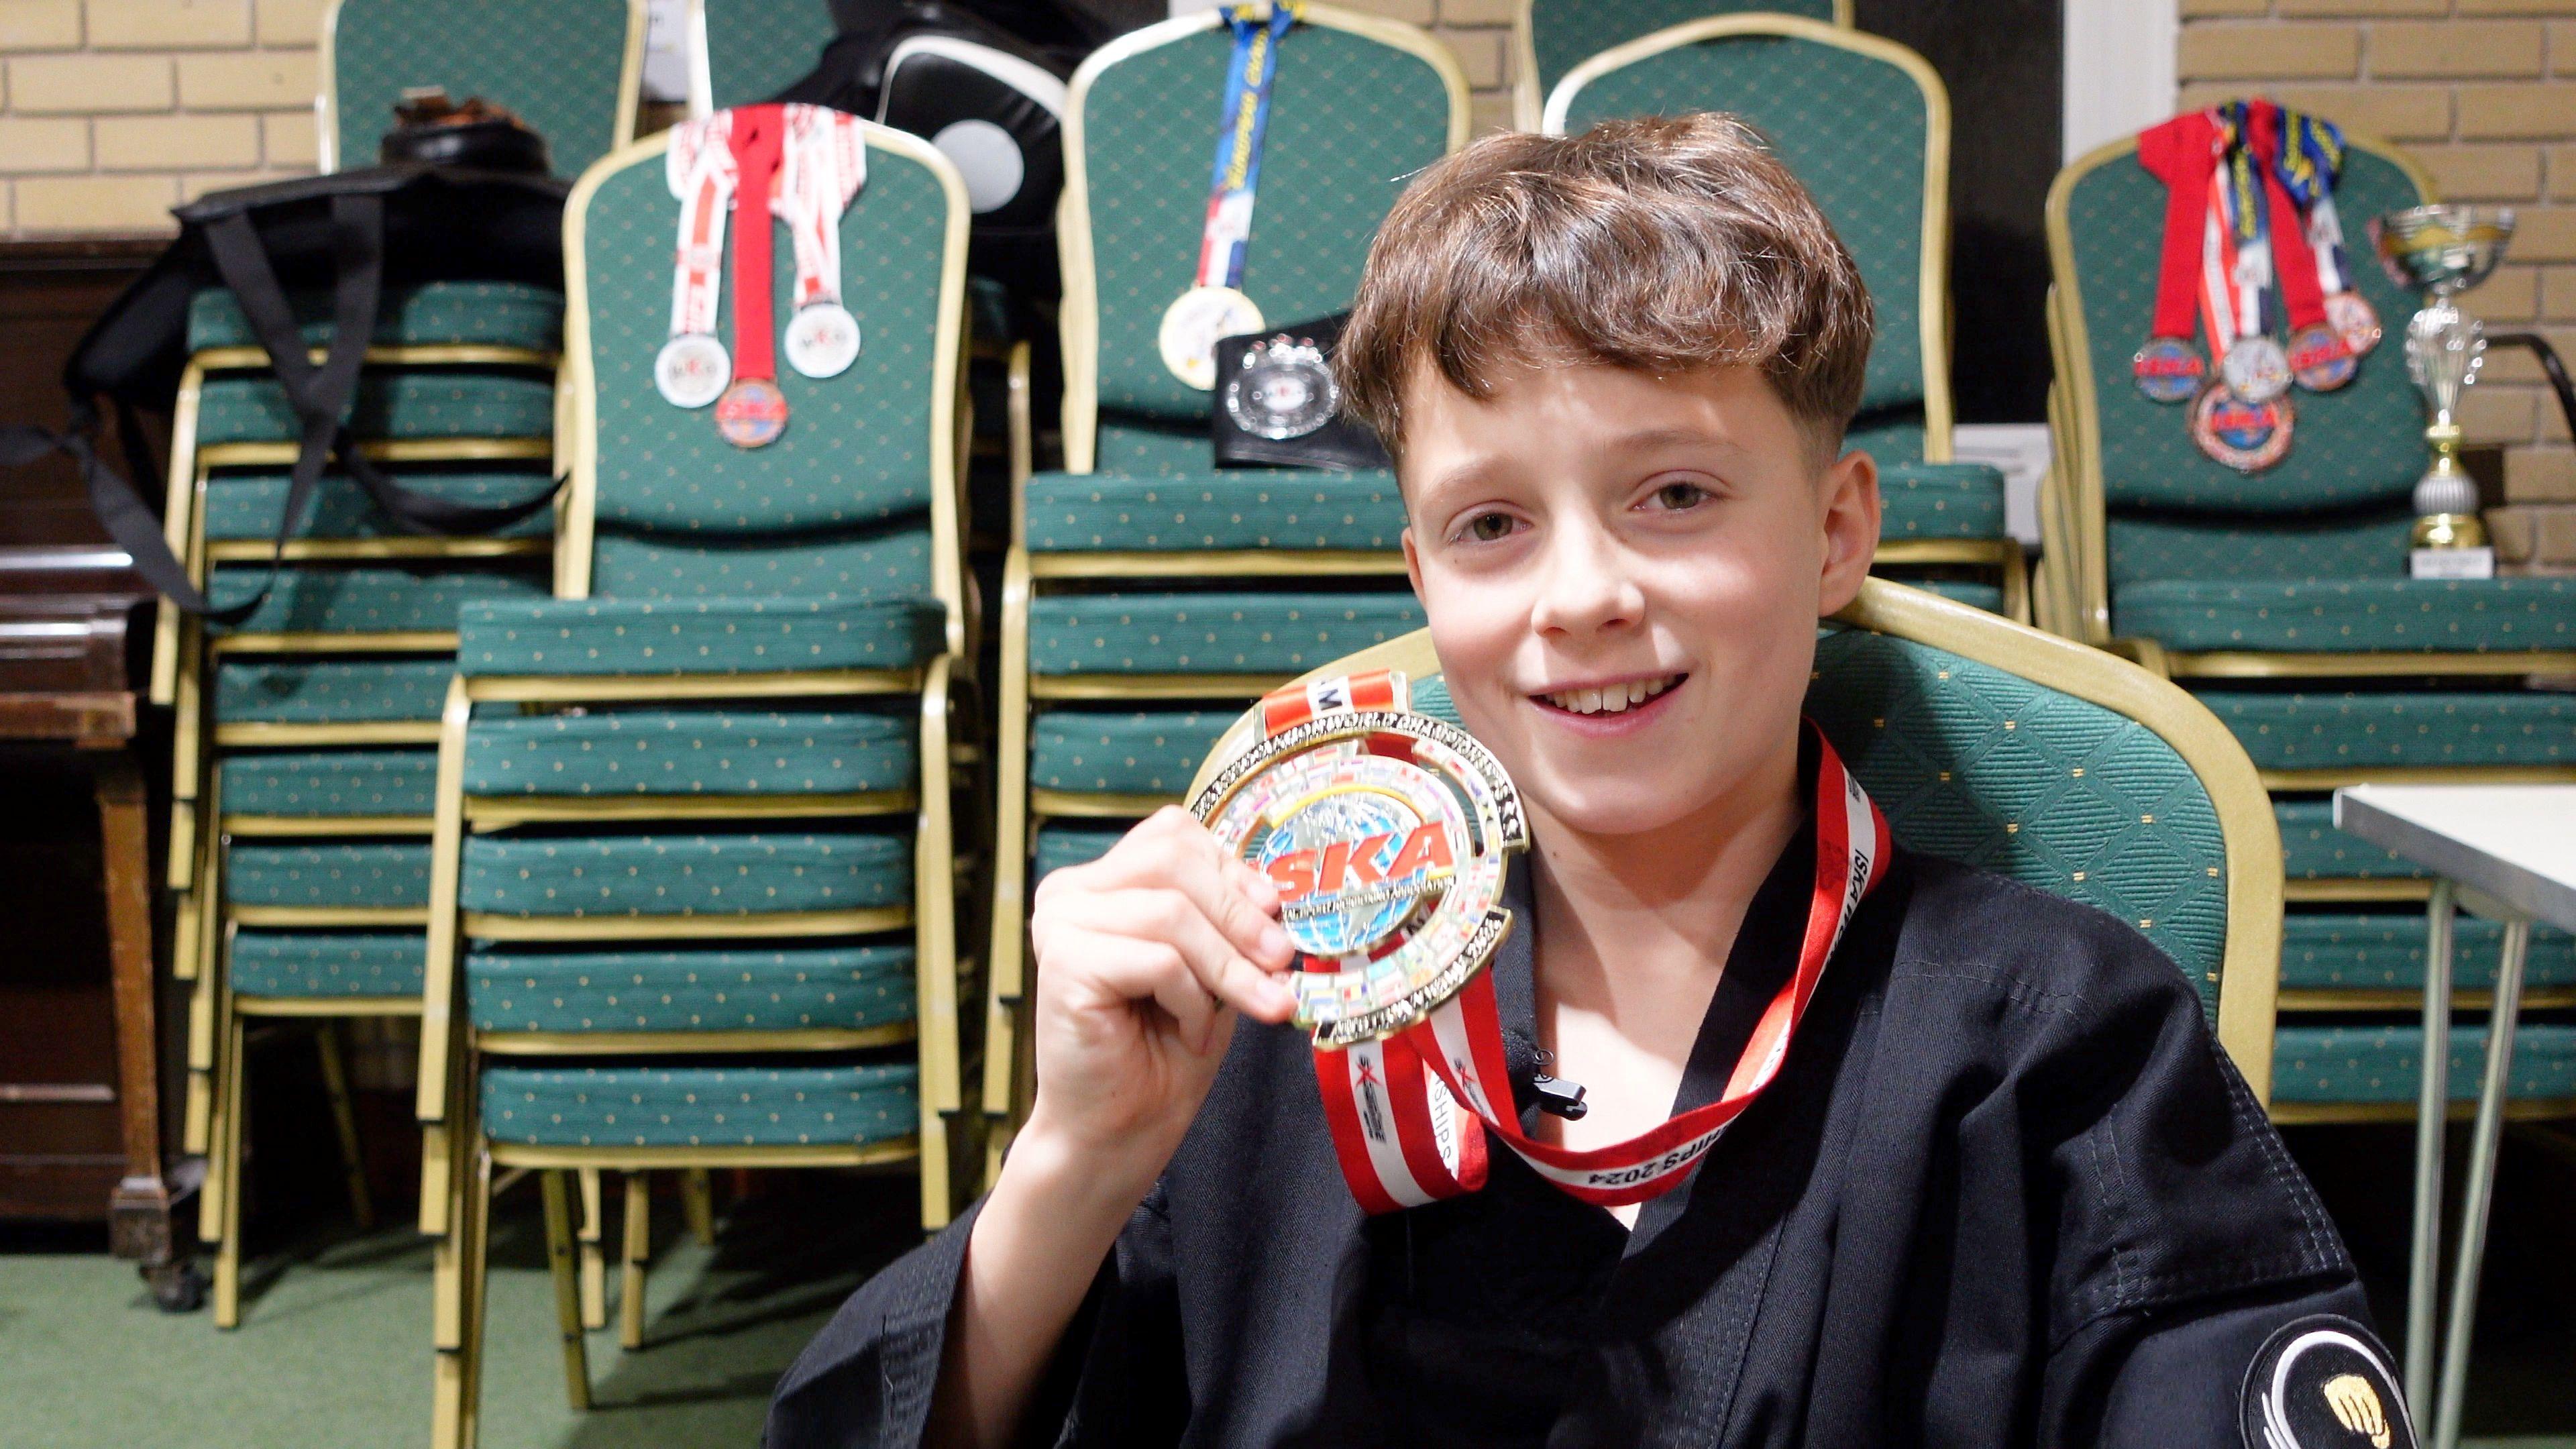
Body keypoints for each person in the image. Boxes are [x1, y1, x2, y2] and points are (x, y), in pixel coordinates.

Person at [768, 113, 2380, 1449]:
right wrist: (1074, 1160)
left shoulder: (2058, 1040)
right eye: (1491, 524)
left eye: (1673, 493)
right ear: (1421, 573)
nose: (1579, 595)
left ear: (1834, 531)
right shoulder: (1273, 1009)